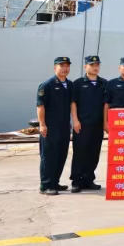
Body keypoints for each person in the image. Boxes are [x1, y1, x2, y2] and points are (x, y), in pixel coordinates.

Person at [69, 55, 106, 193]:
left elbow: (106, 105)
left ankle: (88, 179)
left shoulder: (104, 83)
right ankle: (76, 181)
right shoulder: (78, 83)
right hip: (82, 125)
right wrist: (75, 120)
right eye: (92, 65)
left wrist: (105, 123)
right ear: (85, 66)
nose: (95, 67)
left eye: (97, 65)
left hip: (97, 125)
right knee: (80, 152)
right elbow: (73, 103)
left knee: (94, 153)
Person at [36, 57, 73, 195]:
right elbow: (40, 106)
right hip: (50, 127)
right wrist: (42, 124)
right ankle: (45, 185)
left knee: (61, 155)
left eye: (67, 66)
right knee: (49, 156)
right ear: (54, 68)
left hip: (64, 126)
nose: (65, 68)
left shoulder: (70, 85)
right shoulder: (46, 85)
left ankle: (55, 182)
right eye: (61, 66)